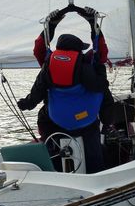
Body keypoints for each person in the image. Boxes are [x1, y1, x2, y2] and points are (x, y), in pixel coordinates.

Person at [17, 33, 110, 173]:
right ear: (77, 51)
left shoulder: (48, 65)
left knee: (44, 117)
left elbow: (37, 91)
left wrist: (26, 103)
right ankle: (97, 172)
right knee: (93, 140)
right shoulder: (84, 65)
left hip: (57, 122)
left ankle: (54, 164)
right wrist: (100, 70)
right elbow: (100, 86)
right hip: (84, 121)